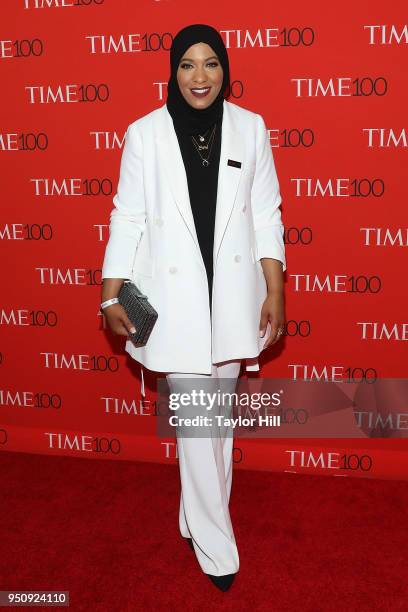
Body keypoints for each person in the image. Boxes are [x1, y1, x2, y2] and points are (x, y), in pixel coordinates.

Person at [100, 23, 286, 592]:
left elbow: (267, 214)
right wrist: (111, 292)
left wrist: (275, 289)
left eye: (210, 63)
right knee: (200, 421)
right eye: (187, 64)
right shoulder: (144, 135)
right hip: (174, 302)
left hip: (233, 298)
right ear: (173, 70)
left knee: (215, 424)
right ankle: (216, 542)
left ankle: (191, 515)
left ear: (225, 69)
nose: (199, 76)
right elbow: (127, 216)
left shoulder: (250, 129)